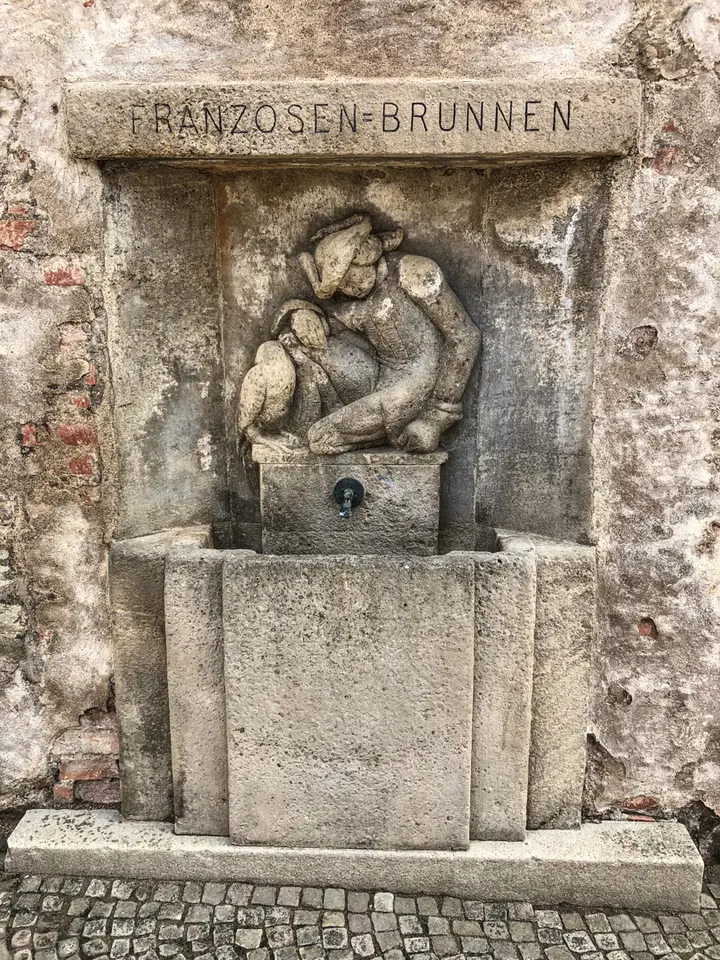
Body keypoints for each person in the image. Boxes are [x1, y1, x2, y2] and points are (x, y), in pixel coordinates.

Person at [297, 214, 482, 455]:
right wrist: (300, 313)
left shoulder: (413, 272)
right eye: (338, 285)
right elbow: (331, 328)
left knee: (321, 438)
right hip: (375, 375)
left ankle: (379, 430)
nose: (347, 289)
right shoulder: (351, 299)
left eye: (347, 276)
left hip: (417, 382)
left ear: (364, 256)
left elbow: (464, 336)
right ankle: (311, 425)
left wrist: (436, 418)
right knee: (295, 342)